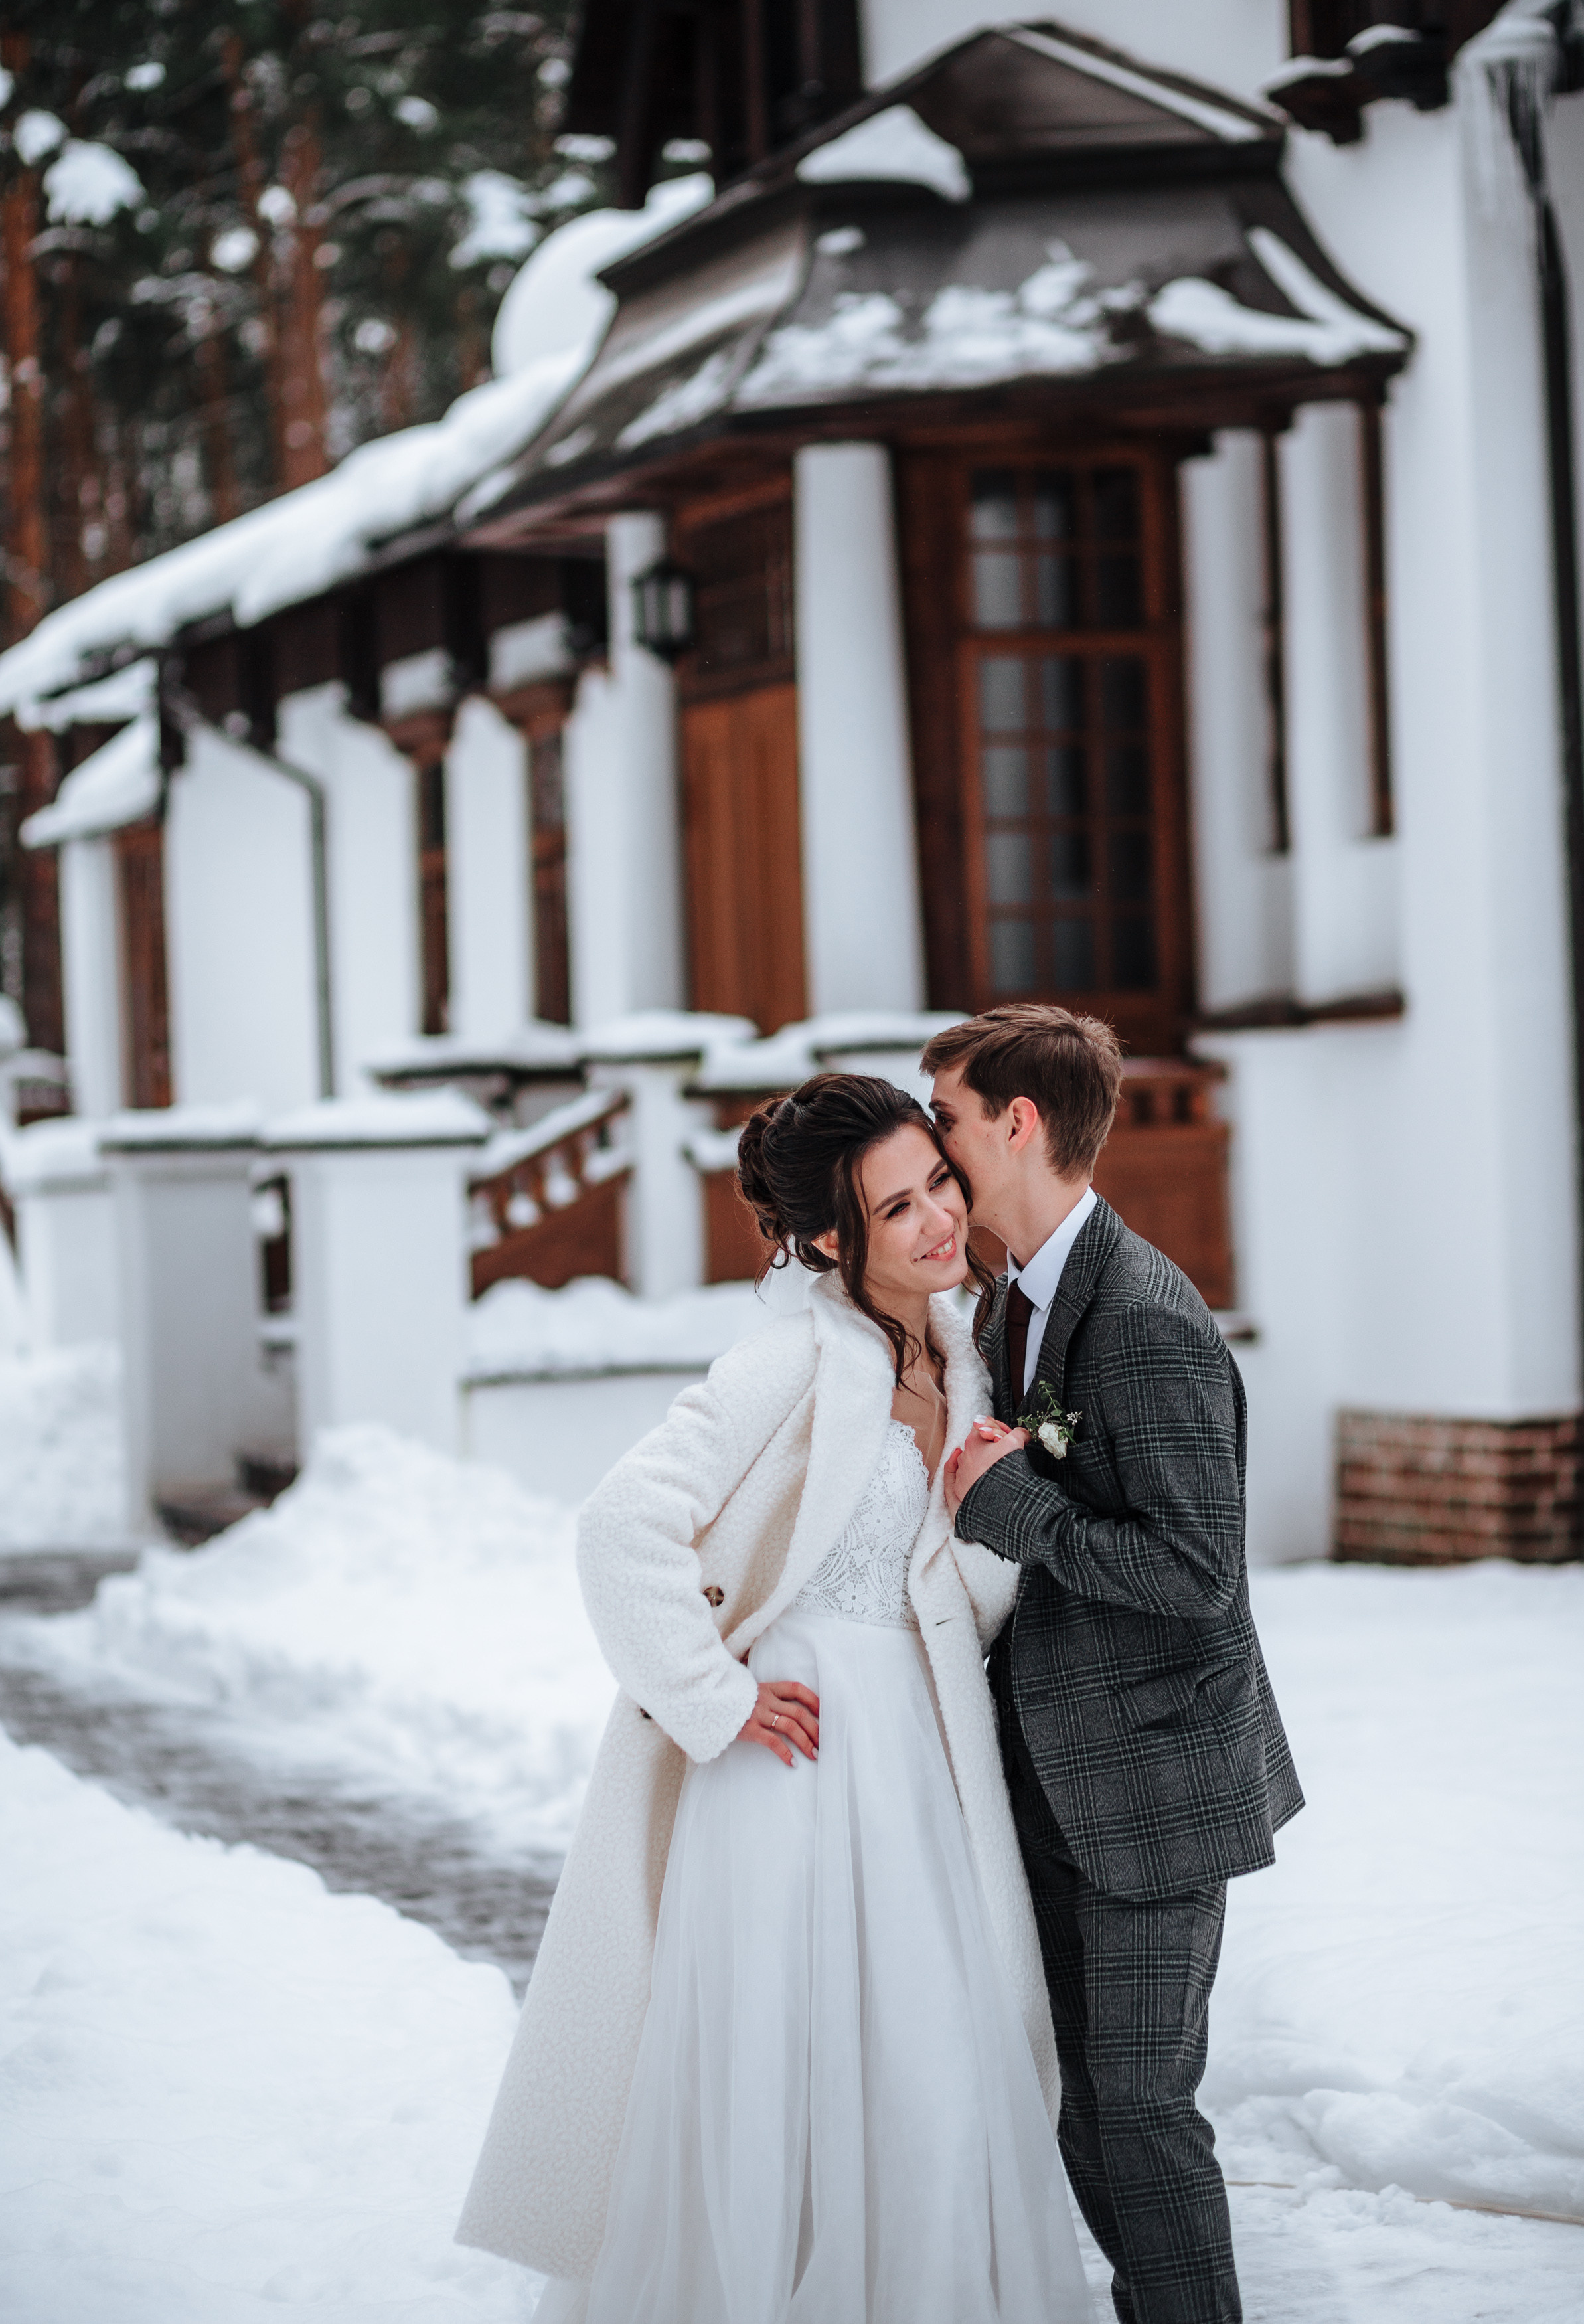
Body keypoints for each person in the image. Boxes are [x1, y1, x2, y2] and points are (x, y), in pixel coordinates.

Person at [455, 1073, 1094, 2323]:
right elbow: (620, 1526)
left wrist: (985, 1503)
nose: (935, 1222)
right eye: (894, 1207)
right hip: (788, 1771)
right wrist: (712, 1694)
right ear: (825, 1241)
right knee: (780, 2076)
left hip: (918, 1761)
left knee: (933, 2068)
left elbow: (954, 1605)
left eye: (938, 1185)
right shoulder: (789, 1361)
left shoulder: (968, 1359)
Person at [924, 1003, 1304, 2324]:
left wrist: (1010, 1507)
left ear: (1015, 1125)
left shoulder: (1140, 1316)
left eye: (950, 1121)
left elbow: (1197, 1575)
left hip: (1149, 1789)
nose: (934, 1147)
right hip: (1050, 1774)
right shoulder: (1006, 1301)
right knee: (1081, 2106)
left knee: (1139, 2113)